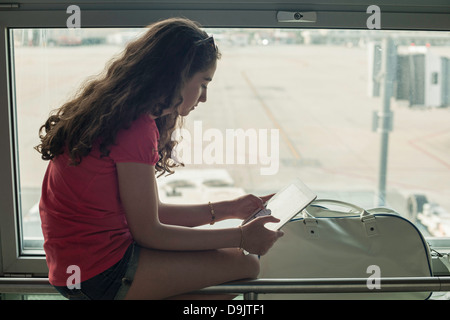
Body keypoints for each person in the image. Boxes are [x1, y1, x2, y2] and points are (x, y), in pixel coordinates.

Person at [36, 17, 283, 300]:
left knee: (236, 260)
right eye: (203, 83)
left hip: (73, 268)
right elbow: (150, 232)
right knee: (246, 264)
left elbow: (152, 214)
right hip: (98, 273)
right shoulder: (136, 127)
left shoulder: (117, 113)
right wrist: (240, 237)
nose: (203, 98)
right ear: (176, 77)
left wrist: (232, 208)